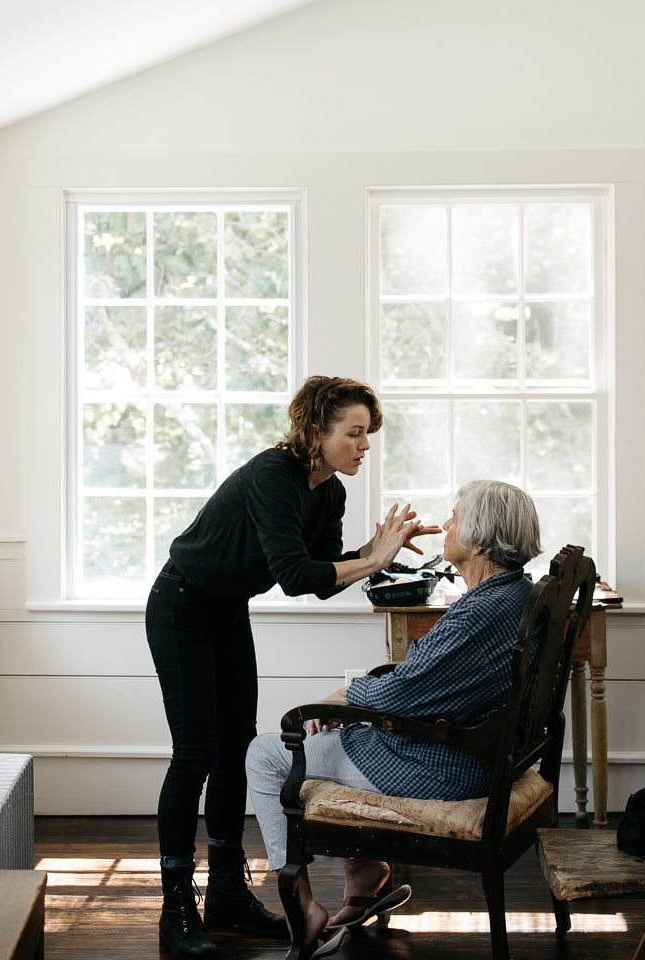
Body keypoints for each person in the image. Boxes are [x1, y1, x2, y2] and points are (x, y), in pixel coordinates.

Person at [146, 376, 426, 960]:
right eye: (353, 433)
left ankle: (225, 894)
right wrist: (369, 559)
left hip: (224, 610)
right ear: (316, 430)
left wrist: (378, 556)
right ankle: (177, 908)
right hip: (181, 605)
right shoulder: (273, 476)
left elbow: (320, 575)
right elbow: (298, 578)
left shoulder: (329, 494)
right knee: (195, 753)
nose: (364, 446)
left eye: (367, 434)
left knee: (235, 748)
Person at [242, 479, 544, 959]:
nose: (446, 524)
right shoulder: (515, 595)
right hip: (472, 754)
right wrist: (359, 703)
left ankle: (303, 908)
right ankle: (365, 876)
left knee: (264, 753)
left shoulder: (481, 613)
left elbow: (406, 694)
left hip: (444, 769)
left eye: (457, 517)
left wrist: (346, 696)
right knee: (348, 727)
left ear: (482, 540)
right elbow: (429, 684)